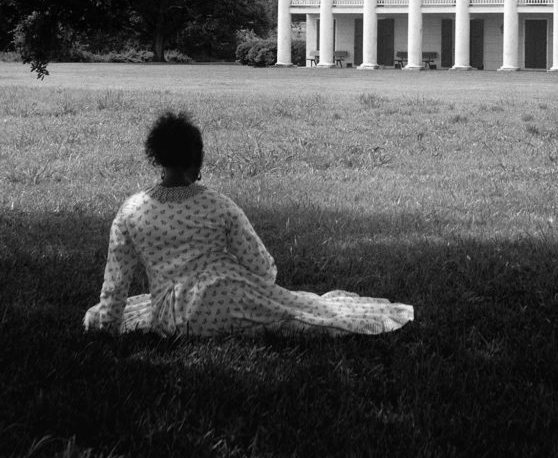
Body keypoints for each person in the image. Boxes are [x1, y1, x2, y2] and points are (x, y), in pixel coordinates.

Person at [83, 111, 413, 337]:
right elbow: (262, 267)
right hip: (225, 297)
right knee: (301, 311)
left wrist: (109, 326)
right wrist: (262, 288)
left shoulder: (131, 211)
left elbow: (116, 282)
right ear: (196, 159)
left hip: (169, 316)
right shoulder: (218, 206)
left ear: (158, 158)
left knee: (294, 312)